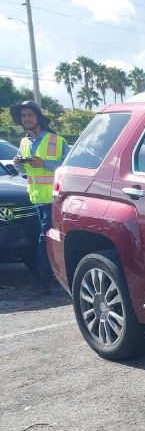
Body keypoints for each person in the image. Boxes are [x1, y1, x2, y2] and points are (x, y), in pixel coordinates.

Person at [11, 100, 68, 292]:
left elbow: (68, 167)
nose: (26, 118)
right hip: (36, 198)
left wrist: (44, 164)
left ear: (38, 117)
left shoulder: (56, 140)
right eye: (23, 116)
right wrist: (17, 162)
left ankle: (43, 275)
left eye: (30, 115)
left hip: (53, 198)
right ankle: (48, 274)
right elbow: (20, 168)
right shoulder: (24, 142)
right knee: (45, 236)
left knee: (46, 237)